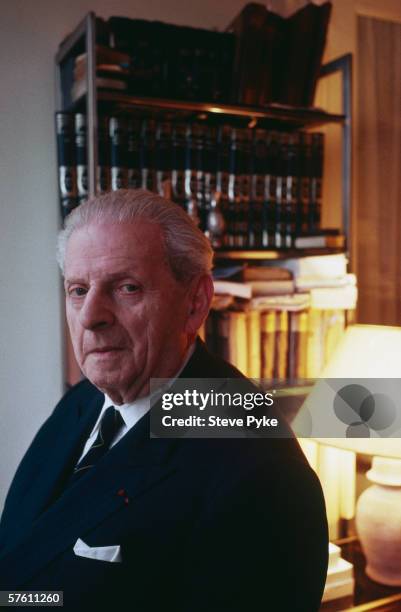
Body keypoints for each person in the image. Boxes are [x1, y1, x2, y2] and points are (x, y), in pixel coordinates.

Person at [0, 189, 328, 611]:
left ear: (194, 304)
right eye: (78, 290)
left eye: (126, 287)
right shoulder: (83, 402)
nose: (91, 316)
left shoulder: (260, 472)